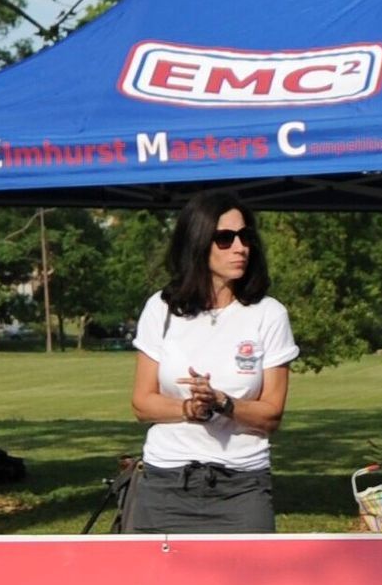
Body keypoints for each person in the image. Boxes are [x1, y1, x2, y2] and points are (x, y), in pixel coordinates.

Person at [128, 190, 299, 533]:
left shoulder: (269, 314)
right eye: (225, 238)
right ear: (197, 241)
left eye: (245, 237)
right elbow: (142, 403)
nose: (240, 247)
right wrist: (191, 409)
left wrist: (223, 403)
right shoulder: (161, 308)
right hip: (165, 484)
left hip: (242, 487)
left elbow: (271, 415)